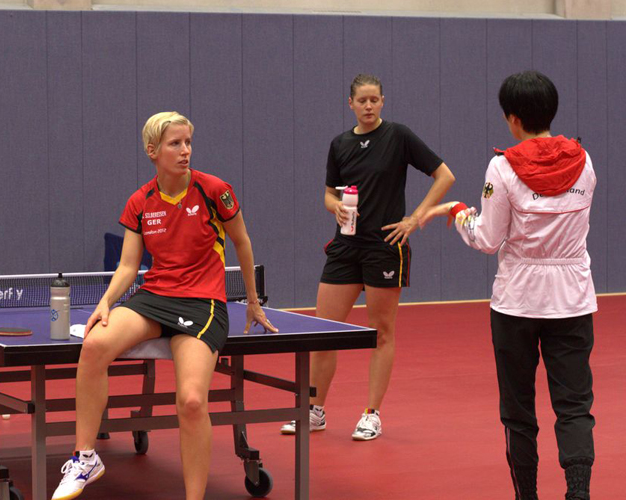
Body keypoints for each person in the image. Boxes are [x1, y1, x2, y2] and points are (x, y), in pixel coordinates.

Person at [51, 111, 277, 500]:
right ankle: (85, 457)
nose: (185, 151)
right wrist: (105, 303)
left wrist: (253, 301)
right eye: (175, 143)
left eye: (188, 142)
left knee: (190, 401)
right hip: (154, 297)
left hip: (203, 302)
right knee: (94, 344)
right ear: (153, 151)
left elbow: (242, 242)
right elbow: (127, 266)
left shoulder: (214, 190)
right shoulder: (140, 202)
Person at [420, 71, 596, 500]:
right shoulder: (584, 161)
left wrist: (460, 212)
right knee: (574, 407)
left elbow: (487, 238)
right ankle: (578, 492)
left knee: (519, 411)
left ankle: (527, 496)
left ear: (513, 119)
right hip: (572, 300)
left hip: (517, 301)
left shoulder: (502, 167)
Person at [281, 74, 455, 440]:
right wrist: (335, 209)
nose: (369, 106)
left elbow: (444, 176)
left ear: (383, 102)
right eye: (362, 100)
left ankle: (372, 413)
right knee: (324, 332)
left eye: (375, 100)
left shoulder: (399, 136)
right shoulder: (340, 144)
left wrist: (415, 218)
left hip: (385, 246)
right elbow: (329, 194)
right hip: (345, 248)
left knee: (381, 332)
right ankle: (314, 410)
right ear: (350, 104)